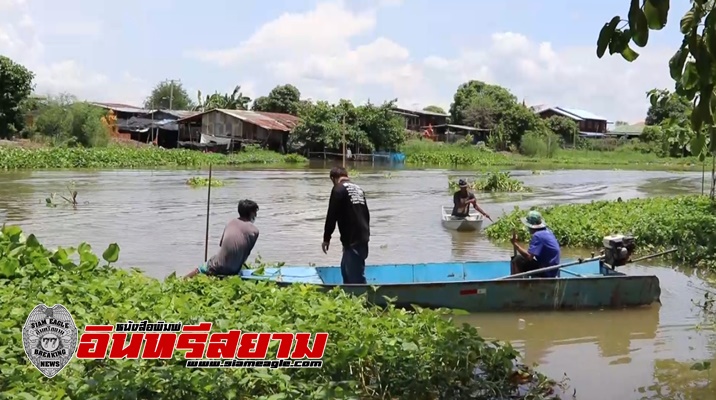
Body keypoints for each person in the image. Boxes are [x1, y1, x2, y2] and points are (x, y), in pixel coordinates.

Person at [185, 199, 260, 278]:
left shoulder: (230, 223)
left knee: (200, 268)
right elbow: (246, 252)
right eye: (255, 212)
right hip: (234, 270)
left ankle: (182, 280)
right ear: (251, 213)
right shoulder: (255, 231)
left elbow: (221, 244)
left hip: (217, 267)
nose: (255, 215)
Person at [322, 166, 370, 284]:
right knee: (345, 271)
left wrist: (326, 238)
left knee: (355, 278)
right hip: (362, 236)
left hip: (352, 239)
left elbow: (331, 215)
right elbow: (366, 214)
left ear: (333, 178)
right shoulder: (359, 189)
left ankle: (362, 300)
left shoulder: (338, 189)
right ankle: (349, 299)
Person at [510, 210, 561, 278]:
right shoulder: (548, 232)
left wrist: (515, 244)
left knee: (517, 259)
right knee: (521, 259)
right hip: (553, 270)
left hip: (546, 271)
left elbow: (529, 257)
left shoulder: (538, 235)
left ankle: (515, 284)